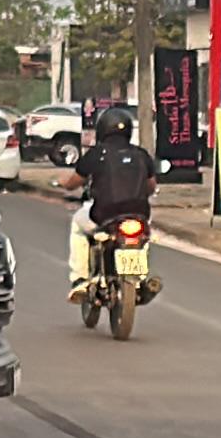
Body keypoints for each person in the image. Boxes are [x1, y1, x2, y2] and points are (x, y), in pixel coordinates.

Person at [61, 103, 161, 294]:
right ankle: (140, 281)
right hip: (139, 213)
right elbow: (151, 186)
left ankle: (80, 279)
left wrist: (63, 183)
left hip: (104, 215)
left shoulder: (97, 154)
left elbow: (75, 182)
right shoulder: (141, 155)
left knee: (78, 226)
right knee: (142, 237)